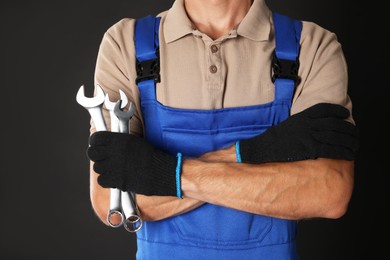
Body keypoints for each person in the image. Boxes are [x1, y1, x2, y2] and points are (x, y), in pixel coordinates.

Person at [85, 0, 359, 259]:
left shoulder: (312, 46)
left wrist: (158, 172)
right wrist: (264, 149)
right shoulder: (125, 44)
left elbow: (329, 192)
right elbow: (112, 200)